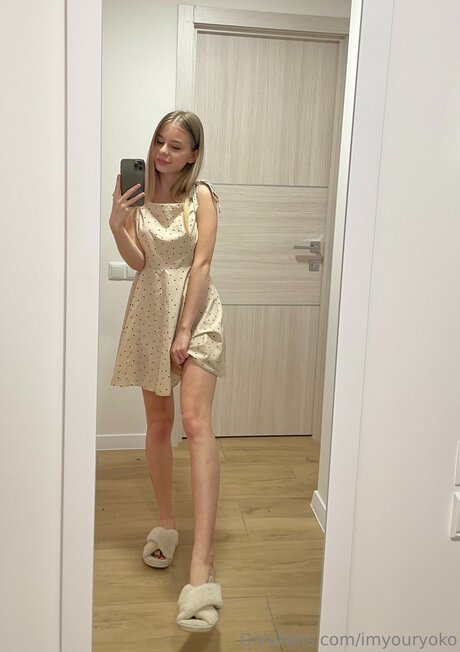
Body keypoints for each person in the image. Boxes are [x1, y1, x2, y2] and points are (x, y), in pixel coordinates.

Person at [109, 110, 226, 632]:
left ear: (193, 154)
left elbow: (201, 264)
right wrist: (117, 224)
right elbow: (139, 262)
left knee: (196, 423)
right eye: (159, 141)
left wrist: (184, 330)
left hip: (196, 312)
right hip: (150, 309)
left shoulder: (202, 196)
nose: (162, 153)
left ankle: (202, 565)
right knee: (158, 424)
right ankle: (166, 526)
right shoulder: (134, 190)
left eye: (175, 146)